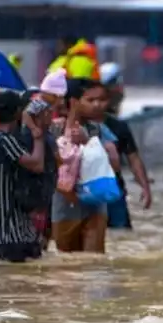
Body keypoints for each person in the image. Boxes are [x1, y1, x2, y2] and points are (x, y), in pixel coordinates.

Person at [0, 90, 47, 262]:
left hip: (19, 230)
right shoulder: (4, 140)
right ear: (17, 112)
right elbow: (37, 164)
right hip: (11, 233)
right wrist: (38, 134)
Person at [50, 80, 120, 253]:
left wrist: (88, 142)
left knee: (93, 261)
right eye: (90, 100)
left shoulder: (99, 130)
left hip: (95, 205)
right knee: (67, 268)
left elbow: (115, 166)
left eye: (101, 100)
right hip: (64, 207)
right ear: (74, 102)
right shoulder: (53, 129)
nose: (97, 105)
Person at [98, 66, 152, 229]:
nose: (97, 105)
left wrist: (145, 187)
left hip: (114, 193)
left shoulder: (118, 126)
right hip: (85, 193)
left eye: (100, 100)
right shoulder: (75, 126)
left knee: (120, 234)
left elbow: (133, 157)